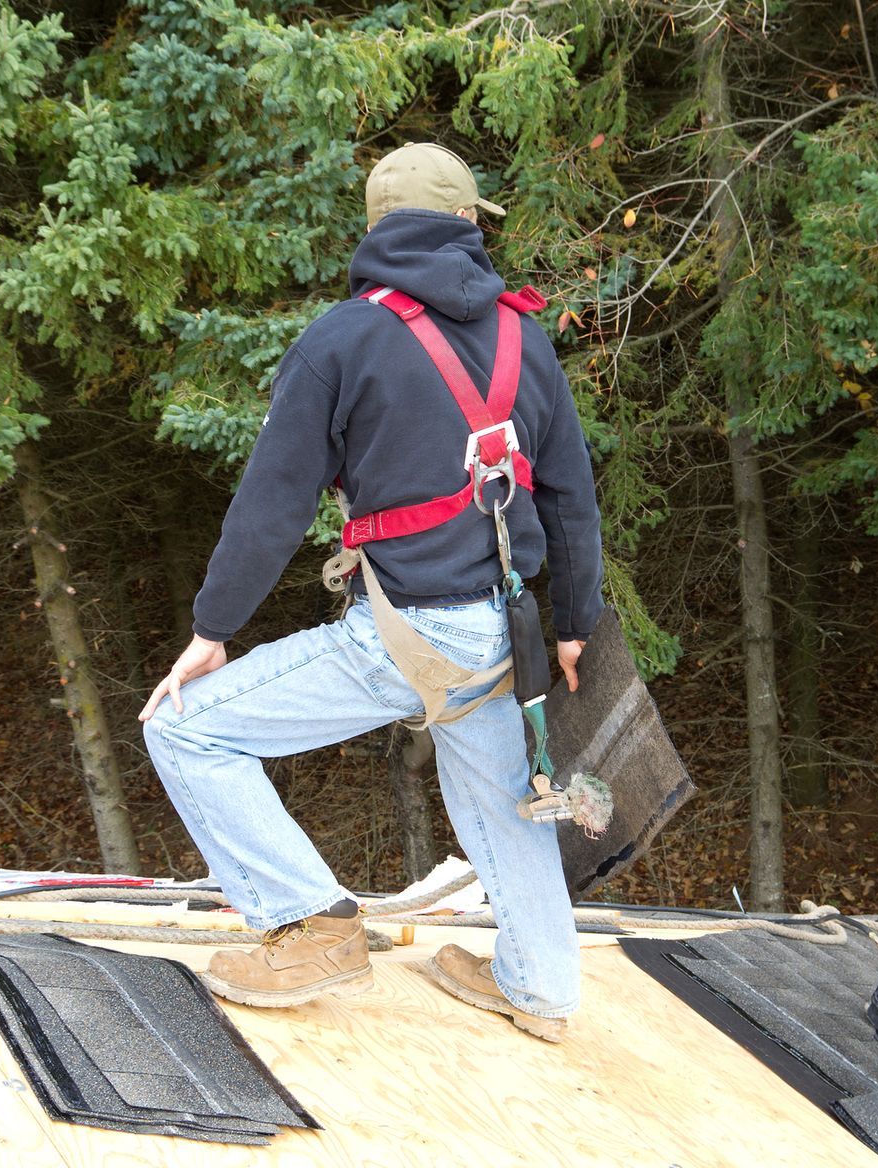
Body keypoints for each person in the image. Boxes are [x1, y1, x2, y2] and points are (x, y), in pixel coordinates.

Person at [139, 142, 603, 1044]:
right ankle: (541, 987)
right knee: (504, 796)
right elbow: (572, 498)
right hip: (508, 630)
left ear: (378, 230)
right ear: (467, 224)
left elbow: (270, 507)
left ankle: (311, 923)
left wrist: (212, 630)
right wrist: (575, 622)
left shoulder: (343, 341)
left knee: (183, 727)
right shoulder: (526, 337)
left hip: (408, 637)